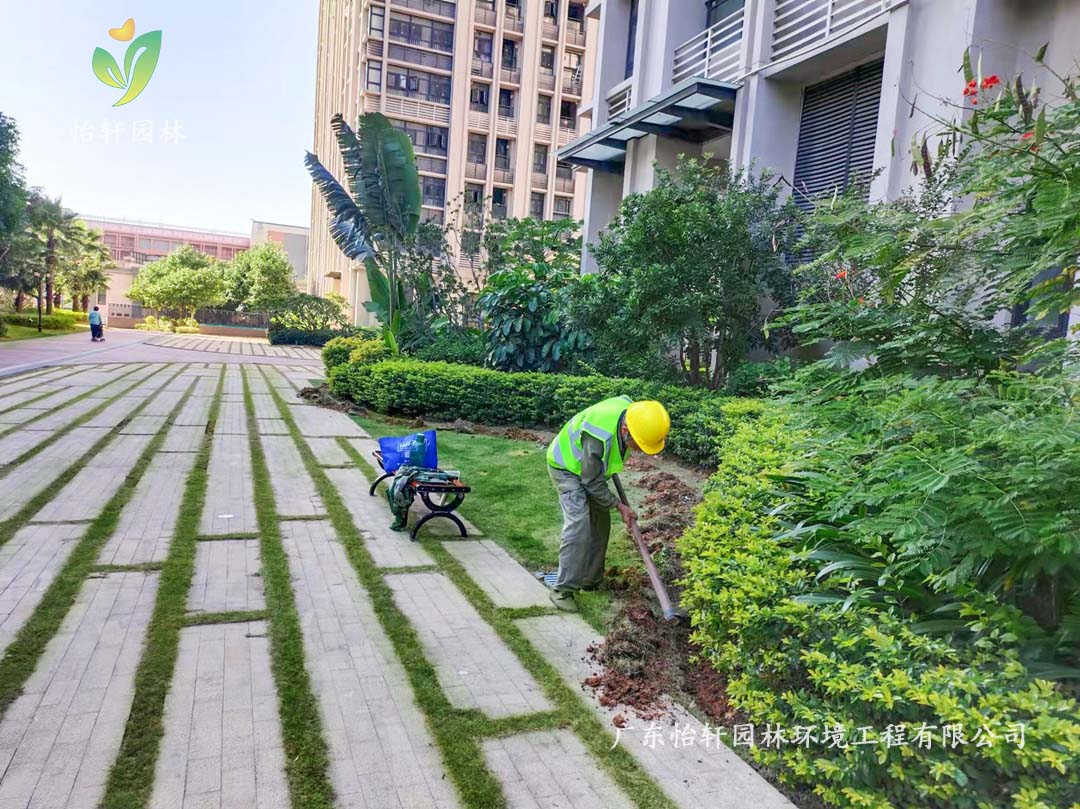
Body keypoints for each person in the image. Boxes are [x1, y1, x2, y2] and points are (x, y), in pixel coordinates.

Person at [545, 396, 671, 611]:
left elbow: (598, 471)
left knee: (601, 523)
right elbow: (591, 481)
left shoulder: (634, 413)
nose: (640, 450)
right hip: (566, 467)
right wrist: (619, 505)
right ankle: (563, 589)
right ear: (625, 431)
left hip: (590, 469)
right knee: (579, 525)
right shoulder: (598, 436)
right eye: (639, 445)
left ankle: (589, 580)